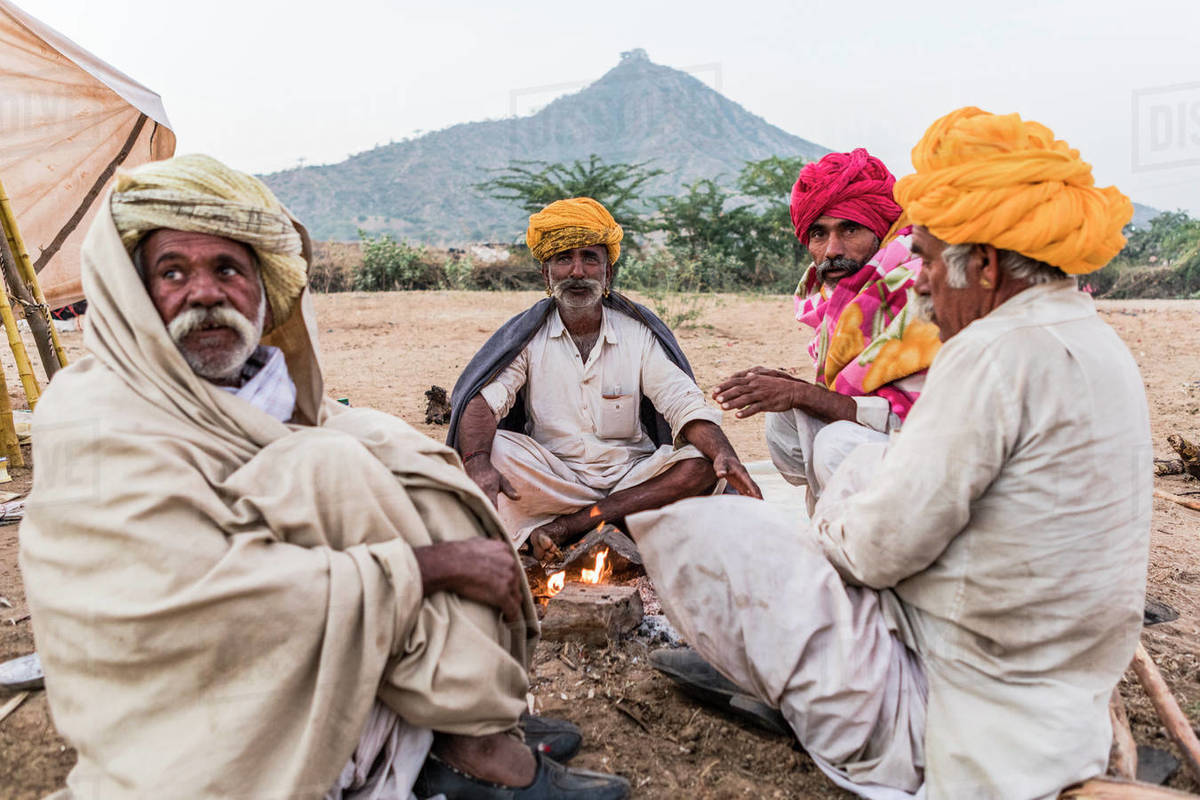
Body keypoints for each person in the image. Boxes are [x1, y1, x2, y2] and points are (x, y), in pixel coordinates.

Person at [19, 155, 629, 800]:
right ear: (129, 297)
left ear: (264, 290)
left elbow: (681, 404)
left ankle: (471, 722)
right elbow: (189, 605)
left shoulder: (259, 392)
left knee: (390, 447)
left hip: (608, 471)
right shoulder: (94, 421)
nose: (204, 292)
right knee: (330, 461)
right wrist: (432, 564)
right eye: (172, 272)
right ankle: (466, 748)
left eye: (228, 269)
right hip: (202, 710)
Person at [628, 107, 1147, 799]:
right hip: (1063, 699)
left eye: (929, 259)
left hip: (964, 723)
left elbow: (875, 553)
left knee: (700, 529)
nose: (923, 279)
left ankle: (861, 737)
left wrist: (827, 525)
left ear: (985, 265)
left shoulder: (990, 354)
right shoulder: (1093, 338)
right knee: (854, 459)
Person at [448, 197, 760, 561]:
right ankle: (613, 525)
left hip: (633, 480)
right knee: (490, 451)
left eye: (590, 259)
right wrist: (479, 463)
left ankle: (567, 528)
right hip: (555, 481)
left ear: (608, 273)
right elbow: (483, 401)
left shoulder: (636, 333)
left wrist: (723, 451)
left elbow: (681, 401)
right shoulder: (529, 338)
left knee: (702, 463)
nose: (577, 272)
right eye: (564, 259)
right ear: (544, 274)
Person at [714, 149, 940, 510]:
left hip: (935, 460)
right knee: (785, 419)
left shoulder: (920, 287)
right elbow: (862, 402)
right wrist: (793, 391)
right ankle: (836, 525)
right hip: (882, 447)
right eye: (819, 234)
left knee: (838, 444)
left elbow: (915, 421)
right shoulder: (843, 302)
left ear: (880, 229)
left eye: (849, 229)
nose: (832, 250)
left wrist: (802, 394)